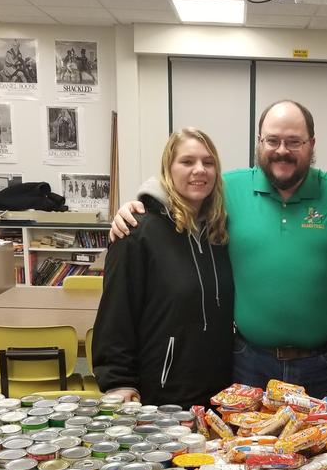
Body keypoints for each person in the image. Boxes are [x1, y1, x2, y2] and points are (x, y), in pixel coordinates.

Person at [110, 100, 327, 399]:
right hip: (248, 364)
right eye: (273, 140)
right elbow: (181, 188)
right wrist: (139, 205)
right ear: (259, 142)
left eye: (294, 142)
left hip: (325, 366)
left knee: (326, 445)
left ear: (312, 144)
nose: (282, 151)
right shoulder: (228, 188)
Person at [92, 128, 233, 407]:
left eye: (208, 162)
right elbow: (117, 312)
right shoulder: (136, 231)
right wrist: (118, 381)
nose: (199, 169)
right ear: (168, 169)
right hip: (162, 393)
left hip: (218, 393)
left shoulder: (220, 232)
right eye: (187, 161)